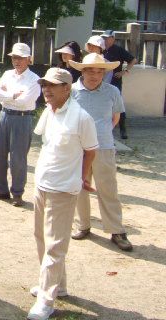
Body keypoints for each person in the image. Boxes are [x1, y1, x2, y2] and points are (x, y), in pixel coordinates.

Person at [27, 68, 98, 320]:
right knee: (41, 238)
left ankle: (47, 300)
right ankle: (59, 286)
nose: (46, 89)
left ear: (67, 88)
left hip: (64, 190)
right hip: (42, 184)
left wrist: (82, 177)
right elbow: (47, 145)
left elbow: (91, 150)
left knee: (55, 246)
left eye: (52, 86)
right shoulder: (48, 110)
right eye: (44, 85)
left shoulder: (82, 118)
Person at [69, 53, 133, 251]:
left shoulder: (112, 91)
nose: (95, 75)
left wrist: (99, 134)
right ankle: (83, 225)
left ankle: (116, 230)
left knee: (108, 189)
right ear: (83, 71)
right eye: (91, 70)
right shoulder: (71, 91)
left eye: (100, 71)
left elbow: (115, 119)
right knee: (79, 187)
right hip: (78, 148)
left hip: (103, 146)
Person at [0, 43, 41, 207]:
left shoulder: (35, 79)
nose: (17, 61)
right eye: (14, 58)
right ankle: (0, 189)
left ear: (28, 60)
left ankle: (17, 192)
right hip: (4, 115)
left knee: (18, 157)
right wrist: (12, 95)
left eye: (21, 58)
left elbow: (25, 101)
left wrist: (6, 95)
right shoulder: (8, 74)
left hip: (22, 118)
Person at [101, 29, 136, 139]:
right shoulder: (100, 50)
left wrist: (124, 71)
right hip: (102, 81)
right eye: (104, 38)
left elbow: (133, 60)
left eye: (107, 38)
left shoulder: (118, 50)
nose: (105, 40)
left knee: (117, 104)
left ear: (113, 38)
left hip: (115, 81)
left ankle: (122, 129)